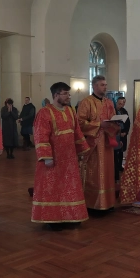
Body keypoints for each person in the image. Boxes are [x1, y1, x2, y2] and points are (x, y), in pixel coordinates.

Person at [32, 82, 90, 230]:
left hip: (70, 159)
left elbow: (77, 132)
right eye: (65, 94)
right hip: (53, 159)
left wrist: (83, 150)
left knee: (70, 188)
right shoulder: (44, 113)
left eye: (68, 94)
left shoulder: (70, 111)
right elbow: (40, 135)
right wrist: (46, 156)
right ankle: (53, 219)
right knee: (52, 188)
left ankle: (72, 216)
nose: (68, 97)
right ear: (56, 95)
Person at [77, 75, 119, 211]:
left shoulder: (109, 103)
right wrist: (98, 124)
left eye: (106, 84)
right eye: (102, 85)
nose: (105, 87)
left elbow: (113, 119)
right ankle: (93, 204)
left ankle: (108, 202)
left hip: (107, 142)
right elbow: (80, 123)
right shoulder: (86, 102)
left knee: (108, 172)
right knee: (94, 174)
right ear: (94, 86)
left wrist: (116, 123)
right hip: (93, 144)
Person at [114, 97, 130, 182]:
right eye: (120, 103)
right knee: (115, 155)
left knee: (121, 151)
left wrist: (125, 132)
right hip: (116, 135)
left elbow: (127, 123)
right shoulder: (113, 111)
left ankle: (120, 167)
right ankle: (116, 172)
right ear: (116, 102)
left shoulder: (124, 111)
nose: (121, 105)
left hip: (122, 134)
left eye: (123, 103)